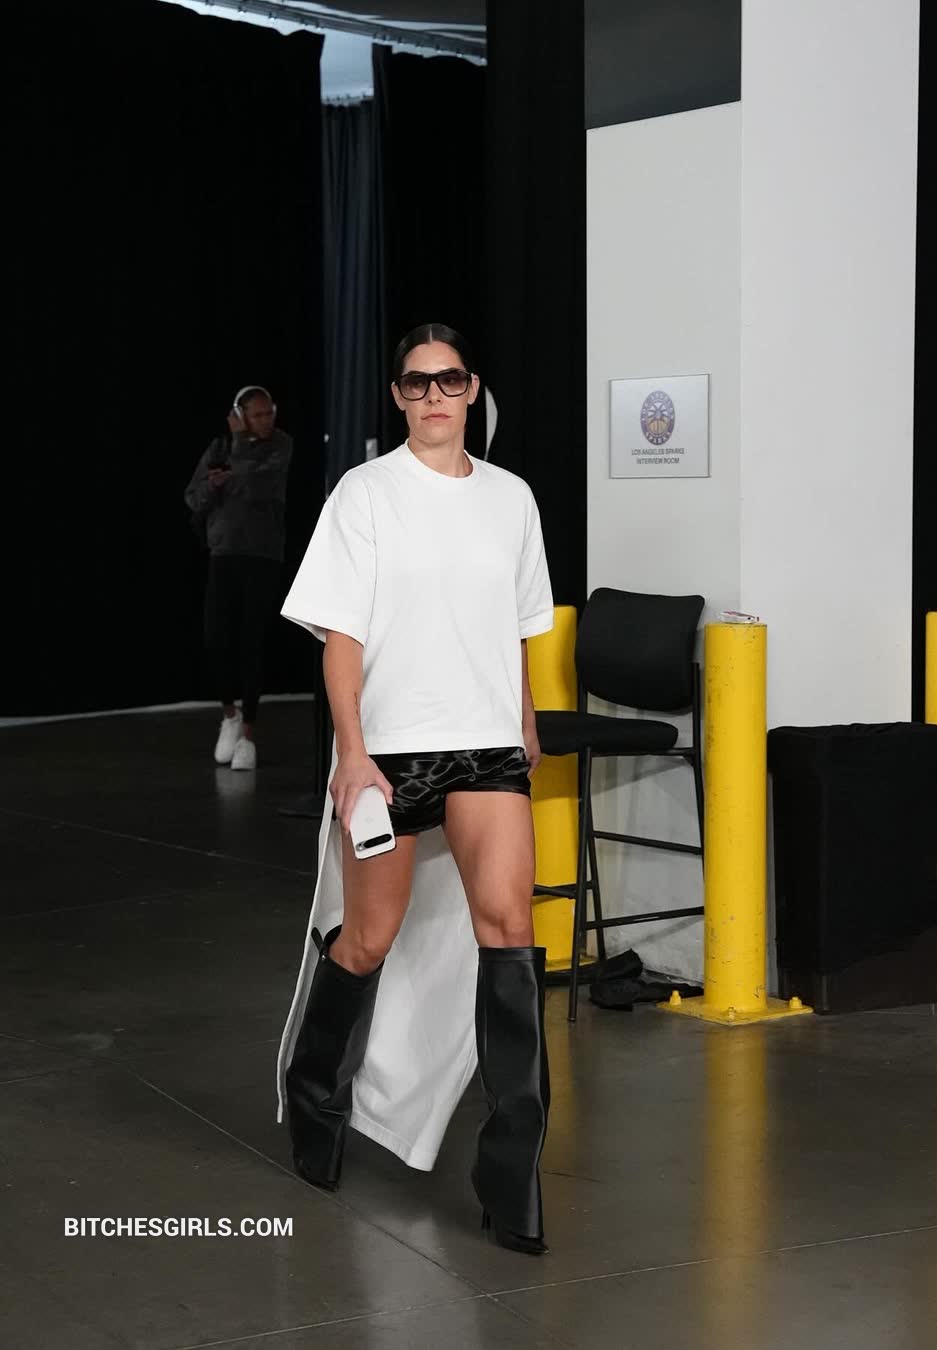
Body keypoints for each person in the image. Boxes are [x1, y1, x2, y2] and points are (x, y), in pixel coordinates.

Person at [279, 323, 554, 1256]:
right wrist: (351, 753)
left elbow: (518, 624)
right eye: (416, 382)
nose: (434, 395)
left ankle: (511, 1179)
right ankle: (315, 1097)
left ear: (472, 389)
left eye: (449, 379)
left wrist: (524, 719)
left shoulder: (512, 499)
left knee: (509, 929)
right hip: (392, 750)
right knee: (369, 939)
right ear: (398, 395)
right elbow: (342, 637)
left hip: (486, 746)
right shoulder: (365, 494)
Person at [184, 386, 292, 771]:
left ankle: (247, 735)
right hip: (224, 553)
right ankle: (229, 714)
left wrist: (241, 448)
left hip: (262, 557)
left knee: (251, 643)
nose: (266, 420)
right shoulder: (219, 447)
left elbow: (258, 486)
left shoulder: (280, 445)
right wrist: (213, 486)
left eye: (268, 412)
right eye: (257, 415)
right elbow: (193, 496)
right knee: (216, 639)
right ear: (240, 415)